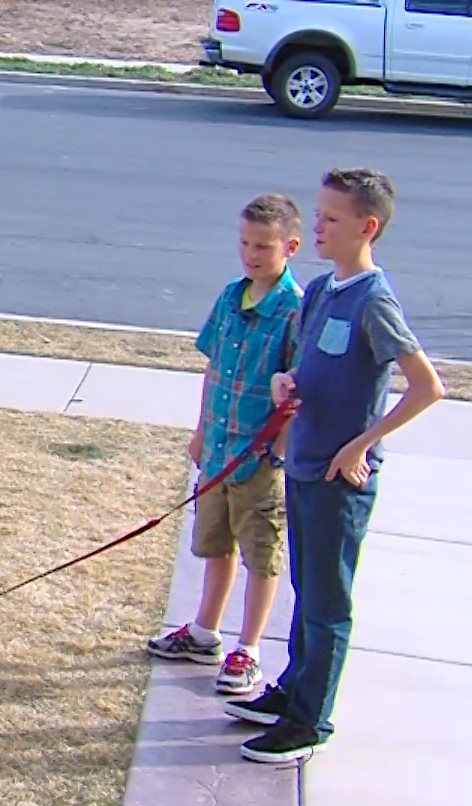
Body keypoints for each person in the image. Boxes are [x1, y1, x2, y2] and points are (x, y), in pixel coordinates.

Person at [225, 167, 446, 764]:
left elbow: (427, 387)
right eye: (318, 214)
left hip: (336, 479)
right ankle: (292, 688)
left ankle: (308, 720)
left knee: (327, 602)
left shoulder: (375, 300)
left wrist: (362, 445)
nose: (317, 225)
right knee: (306, 586)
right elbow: (312, 367)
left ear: (366, 227)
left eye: (330, 218)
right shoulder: (322, 292)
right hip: (301, 465)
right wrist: (285, 381)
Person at [145, 194, 302, 698]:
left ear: (290, 247)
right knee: (214, 544)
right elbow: (213, 369)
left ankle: (249, 648)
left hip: (257, 458)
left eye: (263, 246)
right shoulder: (231, 298)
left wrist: (276, 451)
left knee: (261, 553)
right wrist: (199, 431)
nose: (251, 255)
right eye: (244, 243)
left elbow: (299, 393)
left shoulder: (294, 312)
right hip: (217, 447)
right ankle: (203, 631)